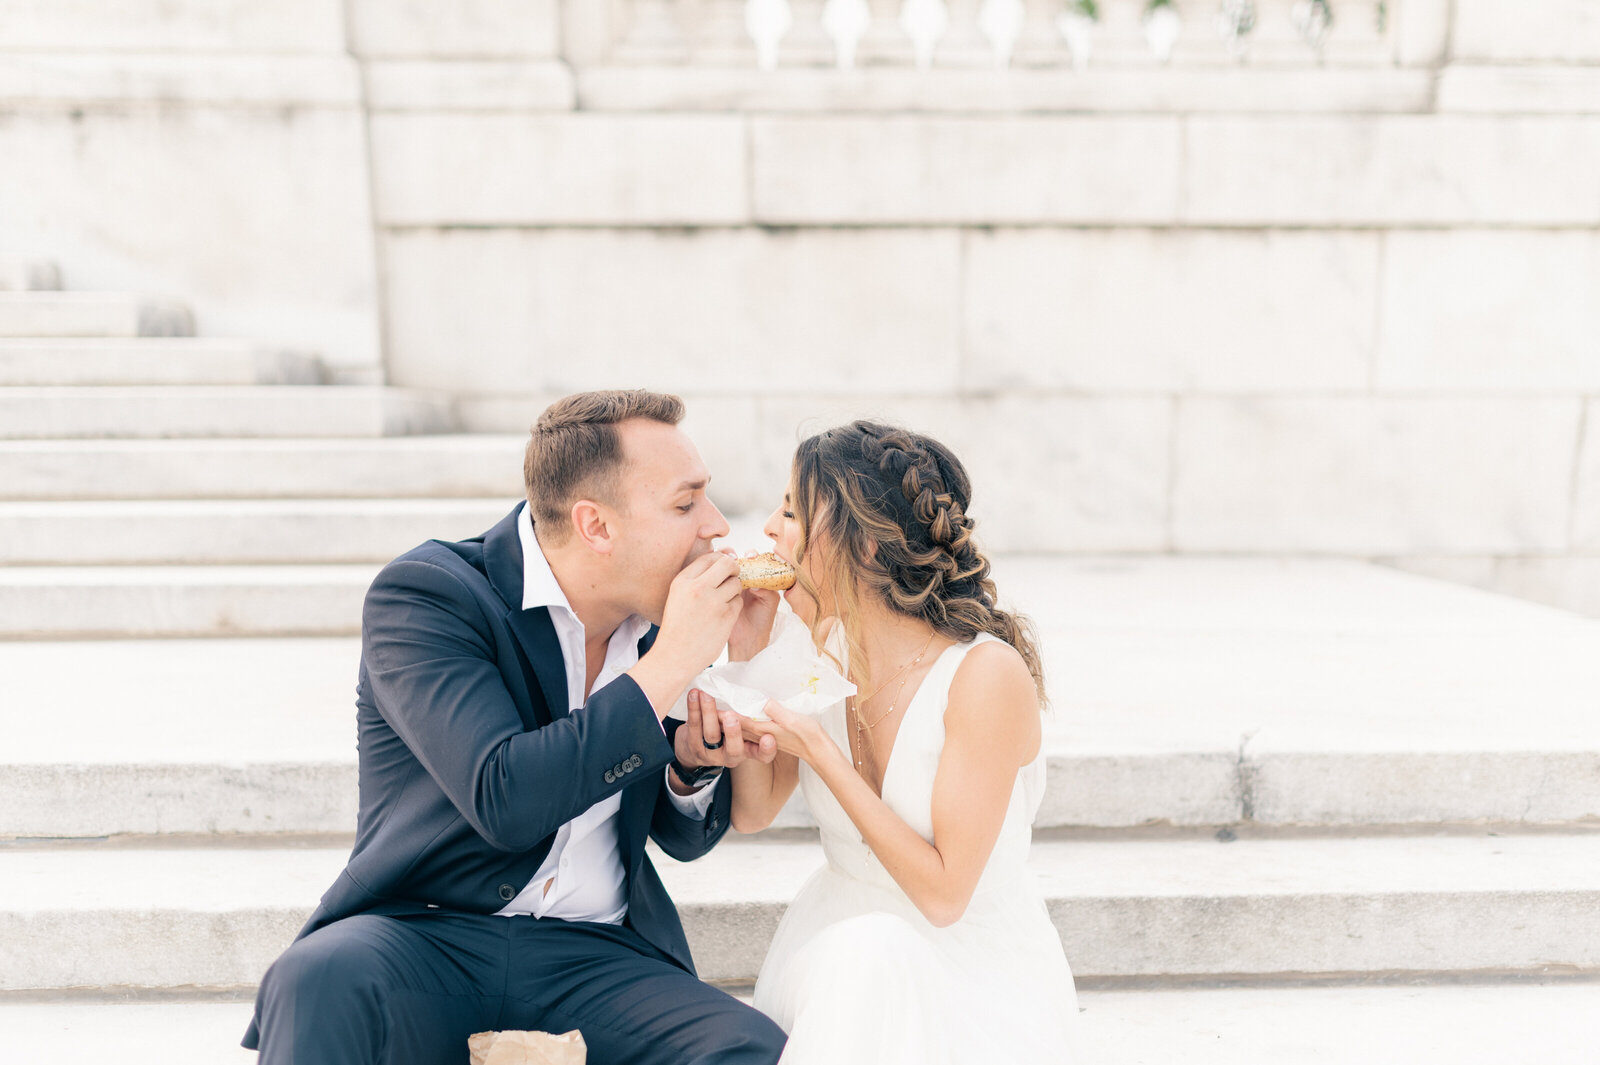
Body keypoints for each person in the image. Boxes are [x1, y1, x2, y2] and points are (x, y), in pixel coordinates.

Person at [243, 390, 788, 1065]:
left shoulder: (657, 620)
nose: (714, 526)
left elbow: (682, 835)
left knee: (753, 1047)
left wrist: (688, 767)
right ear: (596, 525)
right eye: (685, 503)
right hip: (428, 933)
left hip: (597, 952)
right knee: (316, 978)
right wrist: (673, 663)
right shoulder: (428, 597)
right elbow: (506, 796)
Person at [717, 420, 1081, 1064]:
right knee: (864, 958)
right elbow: (752, 813)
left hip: (971, 970)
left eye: (792, 511)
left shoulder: (983, 677)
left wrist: (821, 755)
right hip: (834, 944)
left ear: (861, 544)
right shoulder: (811, 645)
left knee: (874, 957)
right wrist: (744, 660)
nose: (770, 530)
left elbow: (944, 897)